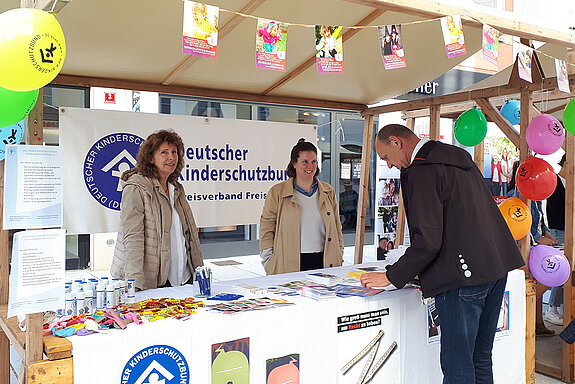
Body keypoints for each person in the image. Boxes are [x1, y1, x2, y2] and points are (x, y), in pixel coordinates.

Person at [361, 124, 524, 384]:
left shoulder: (423, 170)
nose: (389, 165)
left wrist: (392, 276)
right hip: (495, 267)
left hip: (461, 278)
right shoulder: (456, 158)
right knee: (480, 357)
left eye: (385, 157)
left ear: (396, 142)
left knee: (458, 365)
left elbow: (428, 240)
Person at [111, 130, 204, 291]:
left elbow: (190, 236)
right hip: (153, 282)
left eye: (174, 152)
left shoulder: (176, 188)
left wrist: (200, 274)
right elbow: (133, 237)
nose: (171, 157)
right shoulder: (136, 188)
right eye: (164, 152)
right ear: (151, 158)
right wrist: (134, 283)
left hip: (183, 279)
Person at [259, 138, 344, 274]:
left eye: (314, 162)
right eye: (305, 162)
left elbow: (336, 224)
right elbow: (267, 226)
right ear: (294, 164)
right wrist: (267, 258)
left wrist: (339, 251)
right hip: (289, 262)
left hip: (325, 261)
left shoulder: (328, 191)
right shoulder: (277, 192)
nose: (310, 166)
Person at [544, 154, 567, 326]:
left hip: (567, 231)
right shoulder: (555, 181)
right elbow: (554, 211)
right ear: (566, 163)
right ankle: (552, 308)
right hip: (558, 231)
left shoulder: (569, 182)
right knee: (559, 270)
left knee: (566, 271)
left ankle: (558, 307)